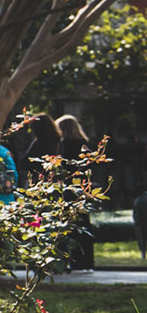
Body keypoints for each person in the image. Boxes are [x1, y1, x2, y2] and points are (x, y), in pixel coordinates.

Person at [56, 115, 96, 269]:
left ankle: (69, 260)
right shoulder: (84, 144)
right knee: (83, 225)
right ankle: (86, 262)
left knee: (68, 225)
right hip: (82, 188)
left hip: (67, 189)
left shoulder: (63, 144)